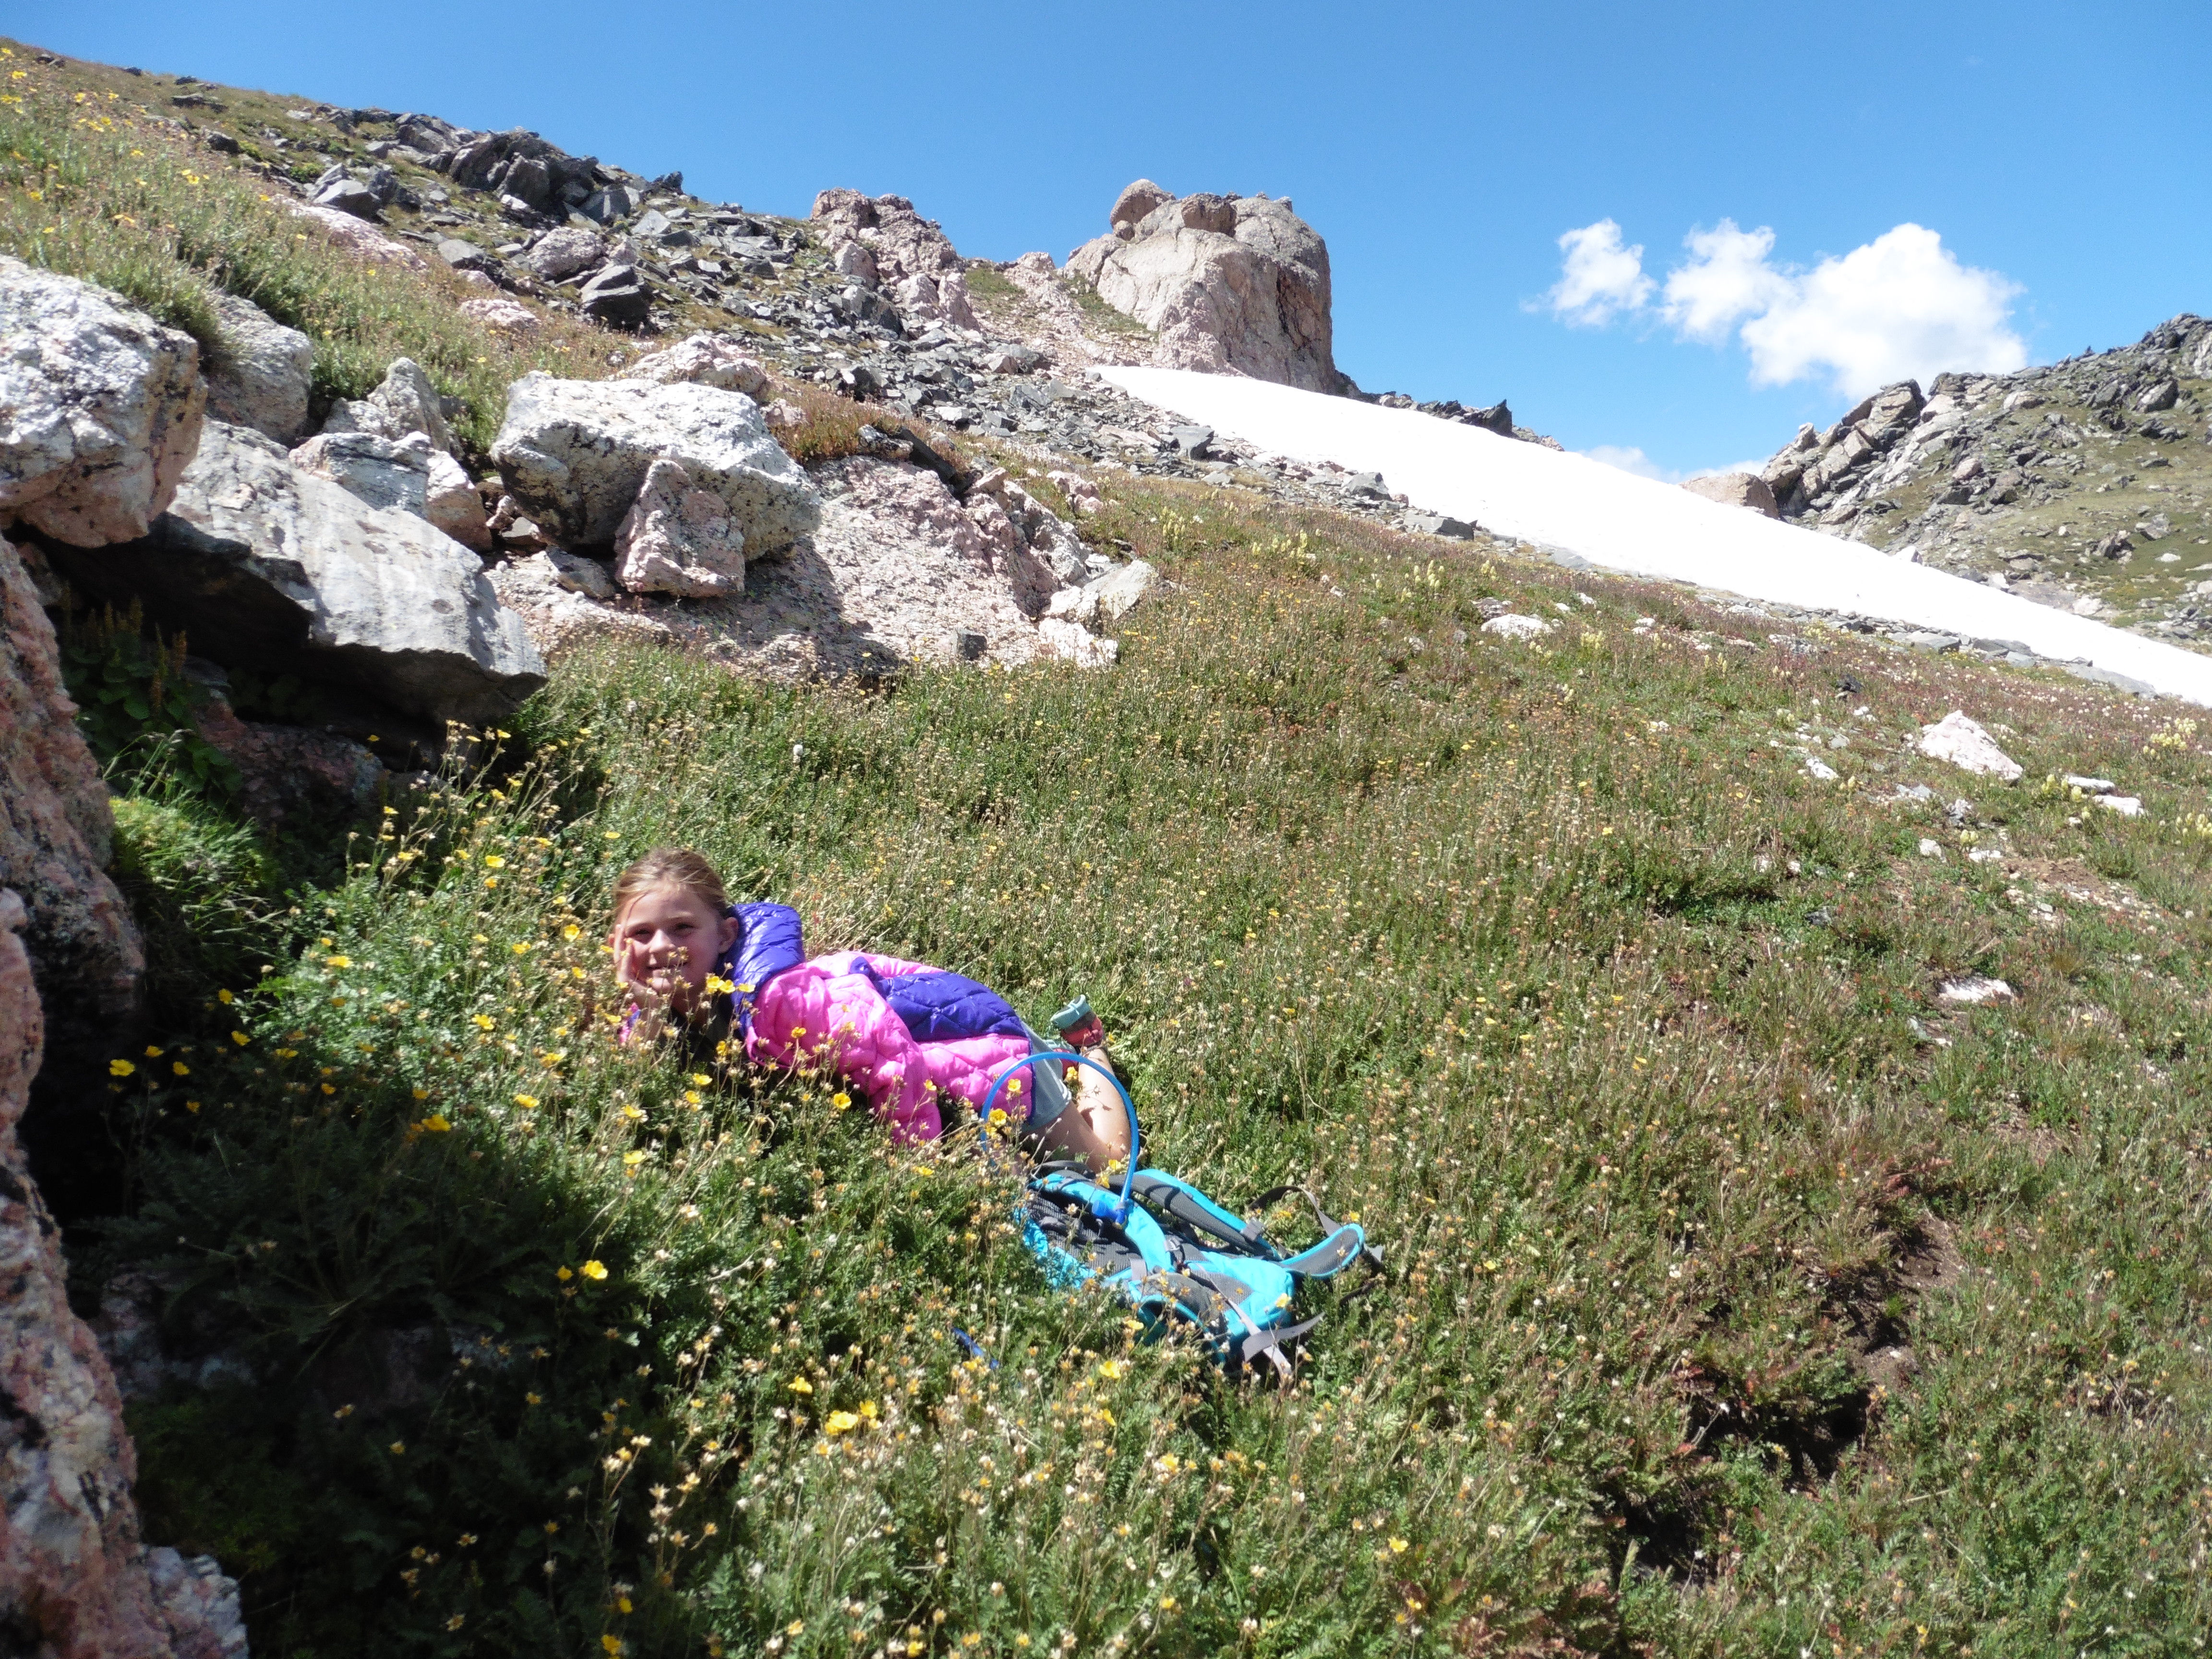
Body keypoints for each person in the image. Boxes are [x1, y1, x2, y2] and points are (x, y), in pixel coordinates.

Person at [608, 847, 1131, 1169]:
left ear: (725, 934)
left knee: (1107, 1163)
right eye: (640, 933)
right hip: (925, 1047)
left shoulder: (776, 1002)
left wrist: (920, 1168)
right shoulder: (657, 1010)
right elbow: (645, 1093)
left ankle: (1090, 1048)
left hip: (973, 1040)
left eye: (681, 928)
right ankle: (1063, 1064)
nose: (659, 947)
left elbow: (896, 1064)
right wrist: (649, 1012)